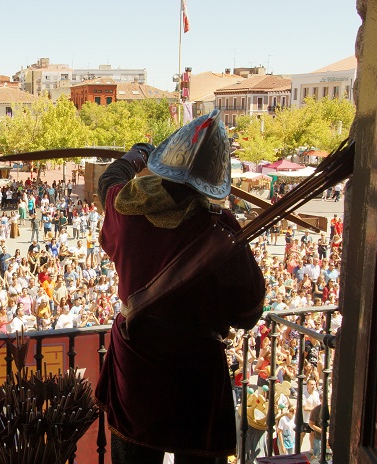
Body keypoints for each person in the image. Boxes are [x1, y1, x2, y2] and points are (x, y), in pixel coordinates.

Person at [94, 110, 265, 463]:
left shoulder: (128, 207)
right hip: (196, 371)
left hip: (138, 364)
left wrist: (136, 154)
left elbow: (108, 180)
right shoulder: (222, 231)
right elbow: (249, 313)